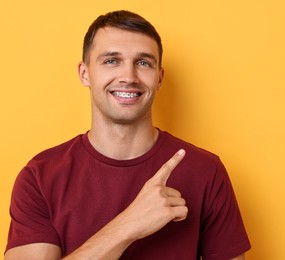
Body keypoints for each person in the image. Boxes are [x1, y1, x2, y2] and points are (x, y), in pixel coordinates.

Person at [5, 10, 251, 259]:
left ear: (159, 78)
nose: (128, 77)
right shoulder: (40, 176)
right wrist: (129, 226)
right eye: (111, 60)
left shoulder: (205, 171)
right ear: (84, 73)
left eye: (143, 63)